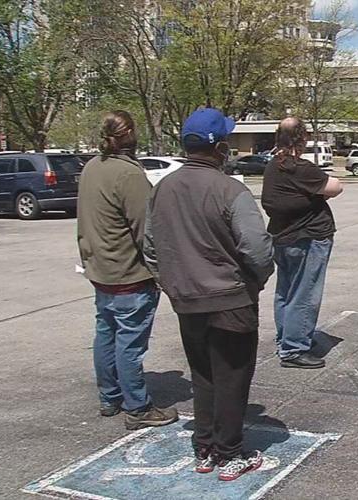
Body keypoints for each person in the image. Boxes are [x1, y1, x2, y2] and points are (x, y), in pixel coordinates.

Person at [144, 108, 274, 481]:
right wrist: (257, 280)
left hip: (188, 299)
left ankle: (205, 446)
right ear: (219, 148)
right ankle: (229, 452)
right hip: (230, 297)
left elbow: (150, 247)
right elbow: (257, 249)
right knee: (232, 376)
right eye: (227, 144)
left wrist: (171, 284)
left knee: (203, 375)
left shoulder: (162, 189)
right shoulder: (230, 189)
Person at [76, 110, 178, 430]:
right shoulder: (128, 174)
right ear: (129, 133)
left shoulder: (92, 167)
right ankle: (137, 406)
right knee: (129, 343)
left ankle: (110, 397)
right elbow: (147, 232)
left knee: (106, 334)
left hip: (101, 269)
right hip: (128, 273)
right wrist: (164, 274)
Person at [261, 118, 343, 370]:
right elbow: (335, 187)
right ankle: (294, 347)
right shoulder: (300, 168)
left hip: (283, 237)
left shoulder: (273, 166)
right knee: (305, 294)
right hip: (307, 238)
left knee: (286, 292)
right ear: (302, 139)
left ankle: (288, 337)